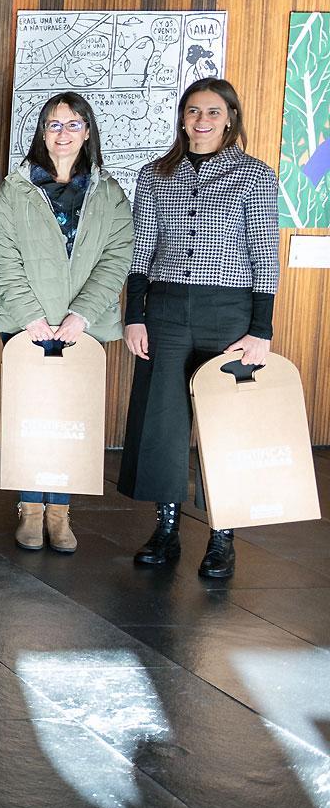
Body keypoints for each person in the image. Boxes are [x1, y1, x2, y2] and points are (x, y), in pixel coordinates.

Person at [120, 78, 278, 581]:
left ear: (230, 117)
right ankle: (166, 529)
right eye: (192, 112)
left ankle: (221, 537)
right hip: (164, 310)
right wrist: (134, 315)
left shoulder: (254, 176)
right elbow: (141, 249)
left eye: (212, 112)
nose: (202, 121)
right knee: (162, 423)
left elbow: (265, 256)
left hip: (228, 313)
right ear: (182, 118)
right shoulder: (154, 175)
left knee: (221, 423)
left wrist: (261, 328)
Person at [0, 93, 132, 555]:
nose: (62, 133)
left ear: (87, 132)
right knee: (32, 418)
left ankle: (60, 513)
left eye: (73, 124)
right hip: (26, 325)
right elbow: (4, 256)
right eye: (53, 125)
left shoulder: (109, 194)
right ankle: (30, 509)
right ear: (41, 133)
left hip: (81, 328)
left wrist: (81, 314)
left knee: (70, 420)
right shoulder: (16, 188)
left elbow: (117, 257)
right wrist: (30, 314)